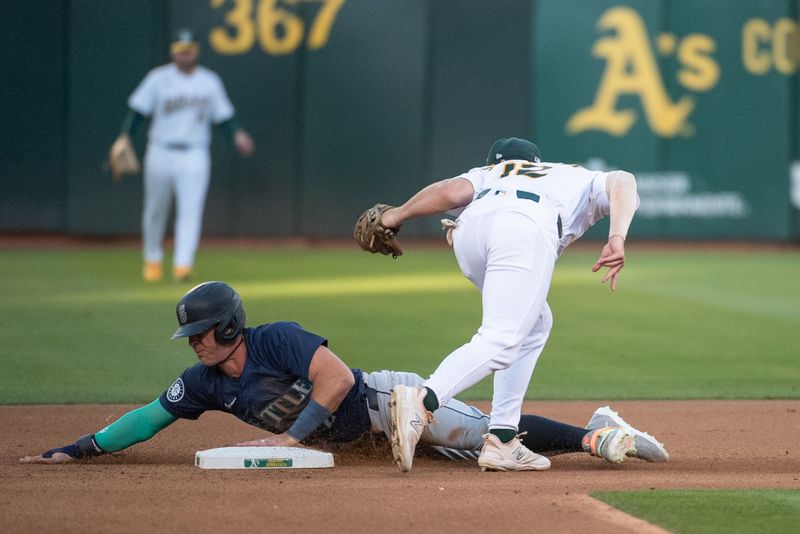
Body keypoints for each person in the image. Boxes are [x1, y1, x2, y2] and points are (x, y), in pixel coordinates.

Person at [20, 282, 667, 468]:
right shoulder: (206, 385)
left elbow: (333, 382)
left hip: (389, 403)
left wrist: (292, 439)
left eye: (198, 334)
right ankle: (586, 434)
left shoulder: (276, 339)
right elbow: (149, 416)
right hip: (355, 438)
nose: (192, 346)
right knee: (460, 460)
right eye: (189, 337)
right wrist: (79, 449)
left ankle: (594, 435)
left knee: (482, 441)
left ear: (226, 328)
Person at [363, 137, 641, 472]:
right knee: (502, 337)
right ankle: (422, 401)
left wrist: (396, 214)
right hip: (523, 225)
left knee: (535, 324)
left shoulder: (488, 173)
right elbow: (624, 180)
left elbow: (450, 193)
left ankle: (502, 439)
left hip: (469, 232)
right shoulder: (568, 174)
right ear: (537, 161)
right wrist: (617, 237)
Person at [111, 29, 255, 283]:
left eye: (188, 49)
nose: (184, 54)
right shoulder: (158, 78)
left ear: (195, 51)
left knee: (191, 210)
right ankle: (152, 260)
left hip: (195, 152)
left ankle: (183, 264)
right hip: (161, 150)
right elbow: (138, 112)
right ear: (173, 51)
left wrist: (237, 134)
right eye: (180, 49)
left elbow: (224, 117)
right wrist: (125, 136)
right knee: (156, 209)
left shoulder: (209, 81)